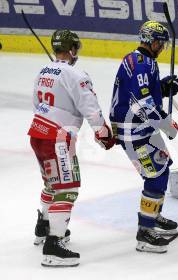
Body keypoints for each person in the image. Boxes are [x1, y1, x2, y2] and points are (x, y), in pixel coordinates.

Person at [28, 29, 115, 267]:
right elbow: (90, 106)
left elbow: (36, 103)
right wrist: (103, 132)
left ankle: (44, 225)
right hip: (58, 137)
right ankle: (54, 245)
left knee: (51, 183)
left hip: (37, 132)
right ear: (72, 49)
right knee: (68, 188)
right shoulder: (77, 74)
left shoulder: (43, 70)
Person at [109, 21, 178, 254]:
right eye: (160, 43)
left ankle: (153, 214)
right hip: (134, 131)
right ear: (152, 41)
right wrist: (166, 123)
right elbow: (142, 103)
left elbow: (143, 92)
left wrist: (162, 88)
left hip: (141, 128)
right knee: (155, 175)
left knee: (162, 168)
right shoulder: (142, 64)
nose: (162, 48)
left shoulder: (141, 60)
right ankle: (145, 231)